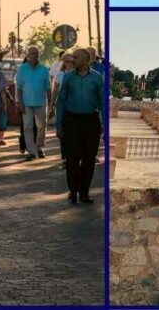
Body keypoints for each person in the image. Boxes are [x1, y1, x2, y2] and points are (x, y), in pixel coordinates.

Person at [56, 48, 103, 204]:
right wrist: (59, 125)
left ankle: (84, 192)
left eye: (75, 58)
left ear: (85, 60)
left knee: (89, 160)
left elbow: (102, 103)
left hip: (91, 121)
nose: (72, 60)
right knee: (72, 159)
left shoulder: (97, 78)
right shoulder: (68, 78)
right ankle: (73, 191)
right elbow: (61, 101)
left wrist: (105, 127)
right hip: (72, 121)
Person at [15, 46, 51, 161]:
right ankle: (31, 151)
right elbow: (19, 87)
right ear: (28, 56)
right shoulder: (22, 69)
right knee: (28, 127)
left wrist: (51, 103)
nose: (35, 55)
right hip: (26, 103)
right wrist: (20, 102)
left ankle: (39, 147)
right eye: (32, 53)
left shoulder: (44, 69)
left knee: (42, 126)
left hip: (40, 102)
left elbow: (48, 88)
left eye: (36, 53)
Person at [53, 51, 75, 169]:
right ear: (63, 63)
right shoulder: (60, 75)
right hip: (62, 107)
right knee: (63, 134)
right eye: (67, 61)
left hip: (76, 107)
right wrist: (51, 104)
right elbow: (55, 90)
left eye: (71, 61)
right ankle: (66, 158)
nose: (69, 63)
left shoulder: (78, 74)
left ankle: (74, 158)